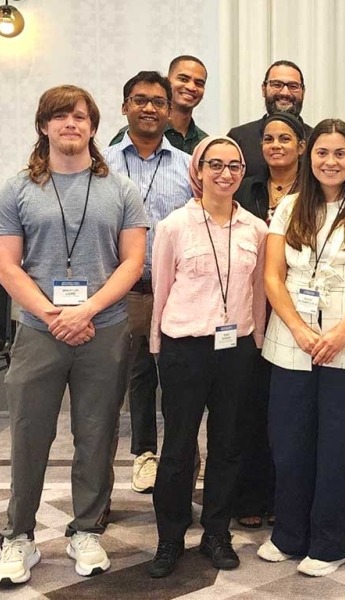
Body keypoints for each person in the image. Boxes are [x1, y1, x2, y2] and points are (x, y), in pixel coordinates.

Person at [0, 85, 148, 587]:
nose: (71, 124)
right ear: (44, 126)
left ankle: (86, 530)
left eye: (80, 116)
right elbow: (7, 267)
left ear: (94, 127)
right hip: (39, 330)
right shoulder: (17, 189)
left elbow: (133, 262)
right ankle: (18, 537)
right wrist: (53, 314)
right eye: (60, 116)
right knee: (29, 434)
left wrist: (88, 311)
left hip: (103, 328)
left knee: (97, 433)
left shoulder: (120, 189)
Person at [258, 119, 345, 577]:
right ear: (308, 156)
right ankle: (290, 534)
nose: (330, 162)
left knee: (340, 445)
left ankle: (334, 542)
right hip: (292, 338)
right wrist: (299, 329)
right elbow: (272, 277)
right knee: (291, 443)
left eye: (339, 153)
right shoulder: (290, 206)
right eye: (322, 153)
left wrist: (344, 327)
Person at [146, 137, 267, 578]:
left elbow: (257, 294)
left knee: (228, 444)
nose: (225, 173)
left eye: (234, 165)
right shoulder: (174, 226)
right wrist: (157, 346)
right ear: (198, 170)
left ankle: (216, 531)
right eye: (215, 164)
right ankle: (170, 537)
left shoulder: (257, 229)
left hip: (236, 348)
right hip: (184, 347)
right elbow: (161, 289)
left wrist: (256, 344)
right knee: (178, 446)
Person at [104, 70, 193, 495]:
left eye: (159, 102)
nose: (150, 108)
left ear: (169, 110)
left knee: (179, 376)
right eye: (140, 100)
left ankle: (184, 457)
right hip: (125, 288)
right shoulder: (103, 164)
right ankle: (144, 454)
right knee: (137, 374)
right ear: (125, 107)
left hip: (175, 289)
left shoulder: (187, 166)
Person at [229, 112, 306, 530]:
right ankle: (251, 493)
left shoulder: (314, 193)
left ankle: (288, 494)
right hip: (251, 309)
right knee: (251, 406)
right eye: (269, 139)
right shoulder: (245, 190)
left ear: (301, 146)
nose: (277, 146)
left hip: (301, 312)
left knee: (291, 411)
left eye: (286, 138)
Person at [228, 60, 313, 180]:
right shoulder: (239, 138)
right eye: (277, 85)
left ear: (303, 92)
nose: (285, 92)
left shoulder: (316, 140)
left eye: (293, 86)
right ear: (263, 89)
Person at [110, 56, 209, 154]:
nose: (191, 87)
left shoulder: (204, 142)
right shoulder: (131, 136)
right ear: (167, 82)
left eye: (199, 83)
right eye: (183, 79)